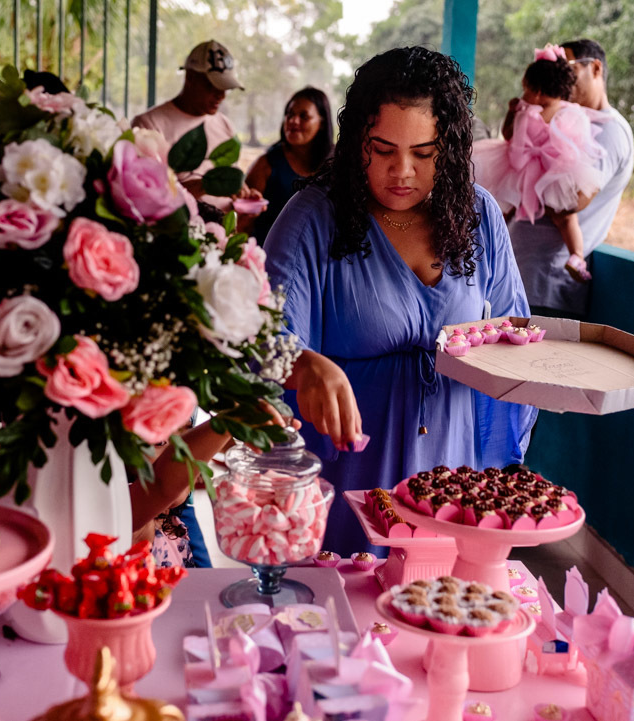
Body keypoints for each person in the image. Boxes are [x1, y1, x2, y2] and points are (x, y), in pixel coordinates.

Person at [263, 47, 537, 555]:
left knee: (443, 596)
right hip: (349, 477)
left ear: (449, 147)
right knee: (350, 594)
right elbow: (262, 343)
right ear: (356, 141)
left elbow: (512, 337)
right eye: (383, 150)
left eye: (424, 153)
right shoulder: (312, 219)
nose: (402, 170)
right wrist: (303, 364)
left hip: (453, 476)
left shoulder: (478, 217)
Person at [507, 38, 634, 318]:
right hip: (522, 275)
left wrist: (530, 174)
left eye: (569, 68)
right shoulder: (565, 117)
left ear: (596, 68)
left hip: (546, 282)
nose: (561, 76)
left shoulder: (609, 130)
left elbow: (570, 200)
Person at [473, 45, 605, 283]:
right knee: (563, 218)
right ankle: (576, 256)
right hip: (551, 171)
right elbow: (578, 142)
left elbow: (514, 147)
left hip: (529, 172)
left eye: (526, 89)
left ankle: (485, 249)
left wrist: (513, 114)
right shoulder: (569, 110)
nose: (523, 94)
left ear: (537, 91)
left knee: (505, 209)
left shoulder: (531, 113)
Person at [130, 406, 298, 568]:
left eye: (187, 434)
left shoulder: (170, 521)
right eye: (159, 442)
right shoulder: (129, 514)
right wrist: (229, 421)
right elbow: (163, 483)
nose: (180, 448)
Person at [132, 40, 262, 220]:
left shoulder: (224, 125)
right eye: (213, 86)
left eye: (225, 88)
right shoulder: (148, 126)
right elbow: (148, 198)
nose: (221, 95)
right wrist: (206, 185)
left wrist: (244, 199)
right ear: (190, 78)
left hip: (224, 232)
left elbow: (230, 190)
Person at [246, 87, 334, 240]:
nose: (293, 121)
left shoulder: (337, 164)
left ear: (322, 122)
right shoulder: (266, 164)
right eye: (290, 114)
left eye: (304, 116)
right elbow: (244, 222)